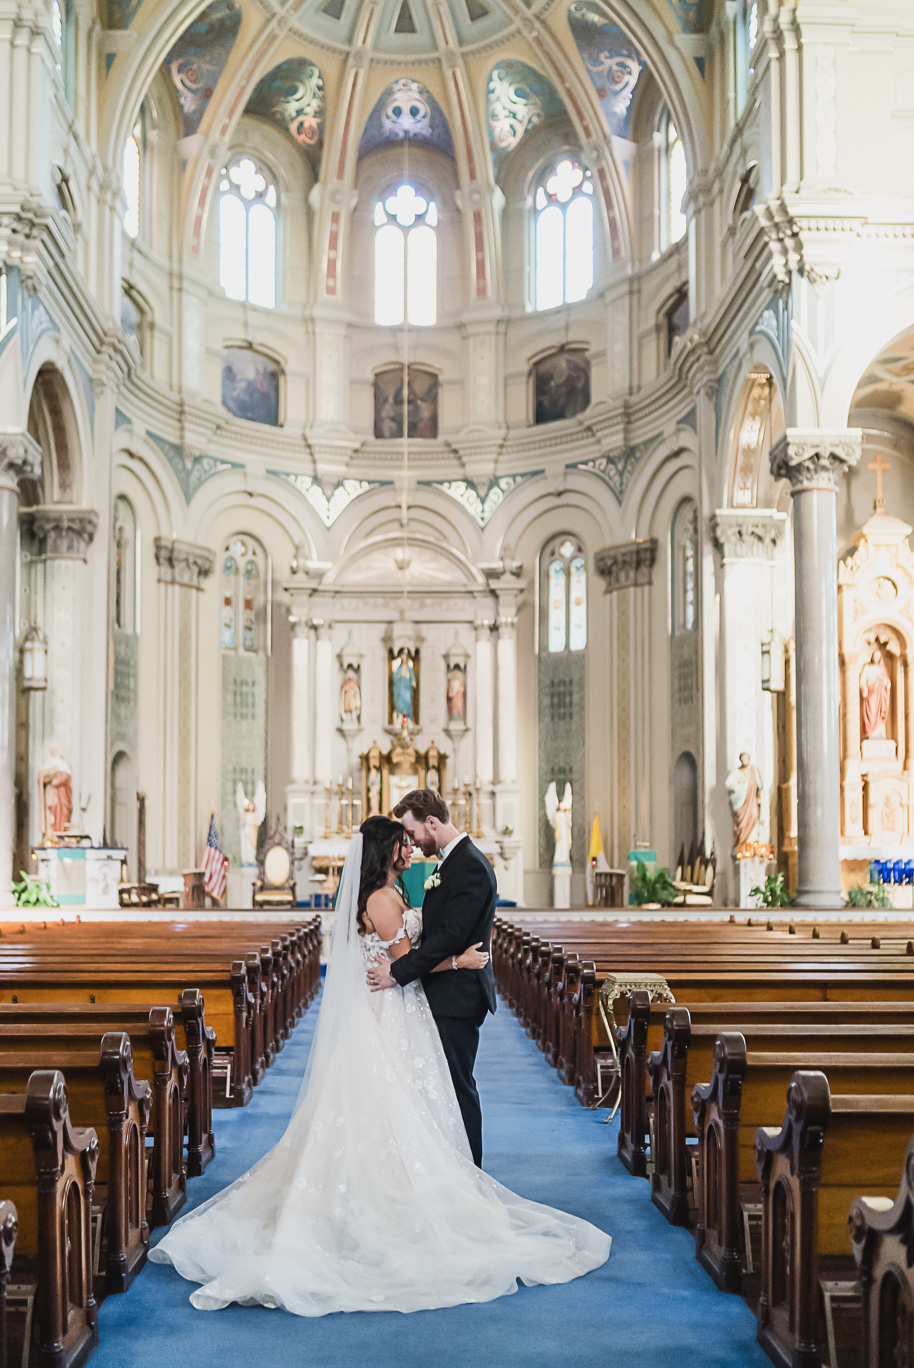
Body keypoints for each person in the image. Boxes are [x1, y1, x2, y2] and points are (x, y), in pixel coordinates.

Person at [149, 816, 609, 1314]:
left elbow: (400, 959)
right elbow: (405, 961)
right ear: (384, 851)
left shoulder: (388, 893)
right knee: (394, 1107)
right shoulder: (383, 900)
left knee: (397, 1108)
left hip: (395, 1006)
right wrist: (459, 963)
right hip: (391, 1011)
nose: (408, 850)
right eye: (401, 844)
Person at [367, 789, 493, 1167]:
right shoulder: (450, 863)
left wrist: (399, 973)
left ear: (431, 823)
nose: (411, 842)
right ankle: (449, 1170)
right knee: (442, 1090)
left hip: (457, 998)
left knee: (456, 1089)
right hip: (442, 992)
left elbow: (452, 935)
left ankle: (469, 1173)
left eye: (411, 832)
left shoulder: (467, 864)